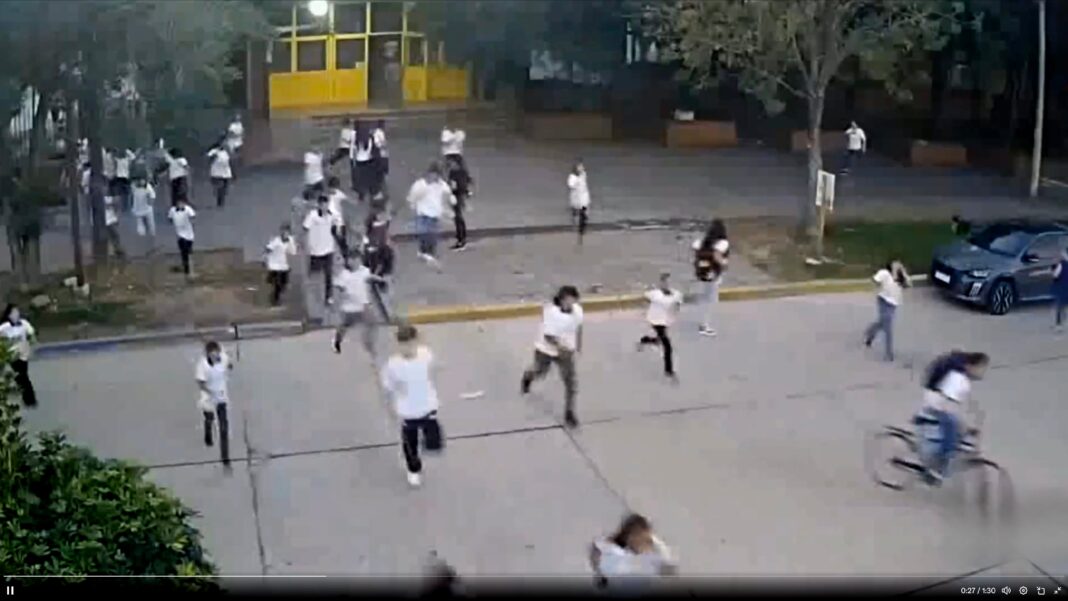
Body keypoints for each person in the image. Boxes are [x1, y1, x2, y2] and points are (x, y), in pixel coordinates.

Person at [381, 325, 444, 488]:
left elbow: (434, 368)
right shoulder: (393, 365)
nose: (407, 348)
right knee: (410, 443)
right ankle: (413, 469)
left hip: (428, 406)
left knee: (434, 441)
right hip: (408, 411)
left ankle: (428, 443)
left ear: (416, 342)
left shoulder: (426, 355)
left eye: (410, 344)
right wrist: (393, 407)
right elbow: (388, 386)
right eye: (403, 345)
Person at [915, 351, 989, 485]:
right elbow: (949, 403)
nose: (982, 373)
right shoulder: (958, 378)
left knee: (958, 426)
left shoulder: (962, 376)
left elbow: (966, 402)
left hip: (937, 399)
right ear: (971, 366)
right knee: (951, 431)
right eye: (981, 368)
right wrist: (965, 425)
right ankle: (936, 468)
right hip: (935, 403)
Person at [521, 286, 584, 428]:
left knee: (571, 383)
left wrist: (578, 346)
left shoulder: (577, 311)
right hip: (546, 350)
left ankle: (569, 412)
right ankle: (528, 377)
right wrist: (563, 348)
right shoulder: (551, 312)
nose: (570, 305)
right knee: (540, 371)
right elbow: (549, 336)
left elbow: (579, 327)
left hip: (566, 352)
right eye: (568, 301)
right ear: (561, 300)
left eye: (573, 301)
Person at [588, 514, 677, 590]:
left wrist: (655, 541)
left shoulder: (646, 556)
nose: (646, 544)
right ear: (631, 536)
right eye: (643, 539)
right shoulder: (612, 553)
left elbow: (668, 569)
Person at [332, 251, 382, 357]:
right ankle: (337, 341)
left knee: (372, 324)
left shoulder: (364, 270)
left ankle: (369, 346)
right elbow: (339, 290)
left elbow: (369, 277)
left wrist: (379, 279)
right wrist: (343, 295)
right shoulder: (343, 275)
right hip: (349, 308)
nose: (356, 262)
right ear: (349, 261)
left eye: (358, 260)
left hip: (364, 306)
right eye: (353, 260)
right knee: (344, 326)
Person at [406, 162, 454, 269]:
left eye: (436, 175)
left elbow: (447, 195)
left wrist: (450, 206)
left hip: (435, 213)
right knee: (425, 233)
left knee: (432, 234)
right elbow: (413, 197)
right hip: (423, 213)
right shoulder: (420, 185)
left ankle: (429, 252)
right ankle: (424, 251)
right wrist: (412, 206)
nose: (434, 178)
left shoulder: (441, 185)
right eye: (433, 175)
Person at [196, 340, 235, 469]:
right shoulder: (202, 365)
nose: (215, 356)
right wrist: (209, 391)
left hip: (221, 398)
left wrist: (229, 365)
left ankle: (225, 457)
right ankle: (208, 433)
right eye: (212, 354)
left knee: (223, 427)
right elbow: (200, 383)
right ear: (207, 354)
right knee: (209, 419)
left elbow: (229, 365)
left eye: (216, 353)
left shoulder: (223, 358)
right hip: (208, 398)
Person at [863, 260, 911, 362]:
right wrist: (877, 285)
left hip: (893, 305)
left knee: (881, 323)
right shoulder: (884, 273)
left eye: (899, 265)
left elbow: (909, 285)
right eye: (896, 264)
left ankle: (869, 334)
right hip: (883, 301)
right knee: (888, 328)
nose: (898, 266)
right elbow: (874, 280)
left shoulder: (901, 277)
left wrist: (904, 273)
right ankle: (889, 353)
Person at [637, 273, 682, 381]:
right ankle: (669, 371)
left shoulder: (677, 294)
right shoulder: (655, 294)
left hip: (666, 321)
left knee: (659, 340)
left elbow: (677, 305)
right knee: (667, 346)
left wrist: (675, 312)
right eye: (664, 282)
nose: (666, 285)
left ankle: (645, 340)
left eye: (668, 282)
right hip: (656, 321)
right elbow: (645, 297)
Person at [692, 219, 729, 337]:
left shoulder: (702, 241)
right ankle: (704, 325)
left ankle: (701, 319)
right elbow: (717, 255)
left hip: (701, 272)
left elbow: (695, 250)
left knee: (703, 297)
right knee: (711, 299)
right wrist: (724, 263)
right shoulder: (722, 243)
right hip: (713, 274)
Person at [303, 195, 340, 306]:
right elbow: (305, 228)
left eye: (326, 204)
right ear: (319, 204)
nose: (325, 207)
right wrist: (305, 245)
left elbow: (335, 228)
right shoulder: (312, 215)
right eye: (322, 204)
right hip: (316, 250)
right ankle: (311, 294)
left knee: (328, 274)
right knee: (314, 274)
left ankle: (329, 297)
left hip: (328, 249)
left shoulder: (332, 215)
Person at [0, 304, 37, 407]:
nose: (16, 314)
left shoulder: (24, 324)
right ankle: (29, 399)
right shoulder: (4, 327)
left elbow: (31, 333)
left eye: (17, 311)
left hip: (24, 354)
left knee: (22, 376)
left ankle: (29, 399)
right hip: (12, 356)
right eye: (14, 312)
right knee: (22, 376)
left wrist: (32, 342)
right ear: (9, 315)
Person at [264, 223, 298, 307]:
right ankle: (275, 299)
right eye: (283, 232)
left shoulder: (290, 240)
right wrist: (265, 258)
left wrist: (292, 242)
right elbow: (268, 249)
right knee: (278, 284)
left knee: (284, 284)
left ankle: (277, 292)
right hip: (274, 265)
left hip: (283, 265)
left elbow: (293, 252)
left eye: (287, 233)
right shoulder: (276, 240)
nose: (285, 234)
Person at [445, 154, 473, 251]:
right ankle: (460, 237)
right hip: (454, 195)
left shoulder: (460, 172)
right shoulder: (453, 172)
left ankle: (461, 239)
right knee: (456, 217)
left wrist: (464, 191)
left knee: (458, 217)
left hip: (458, 196)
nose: (449, 164)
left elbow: (464, 184)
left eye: (451, 162)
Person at [167, 197, 197, 277]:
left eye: (181, 203)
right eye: (178, 203)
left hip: (189, 235)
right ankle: (187, 270)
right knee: (184, 252)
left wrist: (190, 220)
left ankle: (188, 268)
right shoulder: (172, 210)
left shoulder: (187, 209)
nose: (180, 205)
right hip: (179, 235)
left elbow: (193, 216)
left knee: (187, 252)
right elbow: (169, 218)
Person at [351, 123, 378, 202]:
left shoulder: (357, 140)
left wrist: (354, 162)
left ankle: (361, 196)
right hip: (368, 161)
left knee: (360, 180)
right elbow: (372, 150)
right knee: (368, 179)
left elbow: (355, 152)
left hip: (359, 162)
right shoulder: (370, 138)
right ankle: (371, 194)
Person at [325, 176, 351, 257]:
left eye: (333, 188)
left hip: (338, 223)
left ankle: (346, 256)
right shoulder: (327, 195)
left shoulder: (339, 194)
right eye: (331, 188)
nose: (332, 190)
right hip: (330, 222)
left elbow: (349, 200)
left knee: (341, 242)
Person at [567, 160, 591, 244]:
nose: (582, 168)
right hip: (576, 197)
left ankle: (582, 229)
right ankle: (574, 219)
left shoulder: (584, 174)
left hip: (583, 197)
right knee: (575, 210)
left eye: (582, 166)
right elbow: (570, 185)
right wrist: (576, 181)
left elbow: (584, 184)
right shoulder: (573, 177)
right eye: (580, 166)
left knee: (583, 212)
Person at [207, 142, 233, 208]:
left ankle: (221, 200)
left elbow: (230, 161)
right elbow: (208, 159)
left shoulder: (226, 152)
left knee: (225, 189)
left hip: (226, 173)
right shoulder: (213, 151)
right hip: (216, 173)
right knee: (220, 188)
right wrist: (214, 156)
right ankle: (219, 202)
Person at [103, 194, 126, 260]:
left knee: (115, 236)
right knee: (112, 236)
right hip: (105, 220)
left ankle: (115, 252)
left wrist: (117, 218)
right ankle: (113, 252)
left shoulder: (112, 195)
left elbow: (118, 206)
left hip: (111, 219)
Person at [1052, 246, 1068, 332]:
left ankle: (1059, 325)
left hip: (1063, 288)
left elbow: (1055, 275)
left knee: (1060, 307)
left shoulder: (1062, 264)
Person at [372, 119, 389, 193]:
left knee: (383, 173)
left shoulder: (381, 132)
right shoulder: (377, 133)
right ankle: (379, 187)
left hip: (384, 155)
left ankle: (381, 186)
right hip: (381, 156)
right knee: (381, 173)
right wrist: (383, 144)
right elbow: (377, 144)